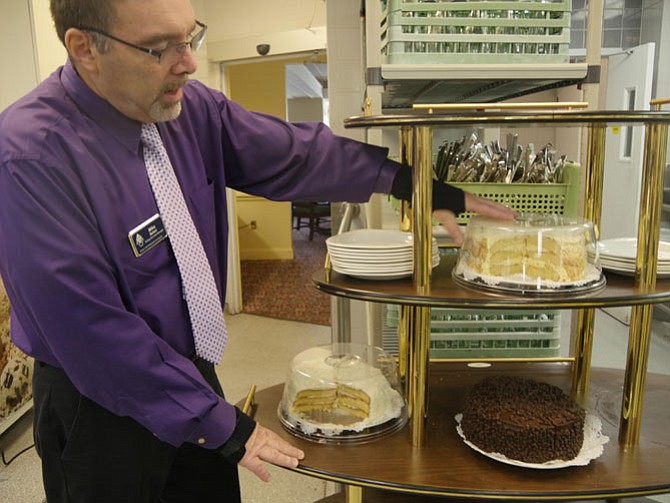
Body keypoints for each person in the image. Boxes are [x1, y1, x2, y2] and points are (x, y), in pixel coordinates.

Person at [0, 0, 516, 502]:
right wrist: (221, 424)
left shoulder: (190, 109)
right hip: (97, 403)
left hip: (190, 372)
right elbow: (89, 329)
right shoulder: (31, 155)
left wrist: (411, 184)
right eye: (160, 48)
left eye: (190, 36)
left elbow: (294, 154)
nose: (190, 62)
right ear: (85, 47)